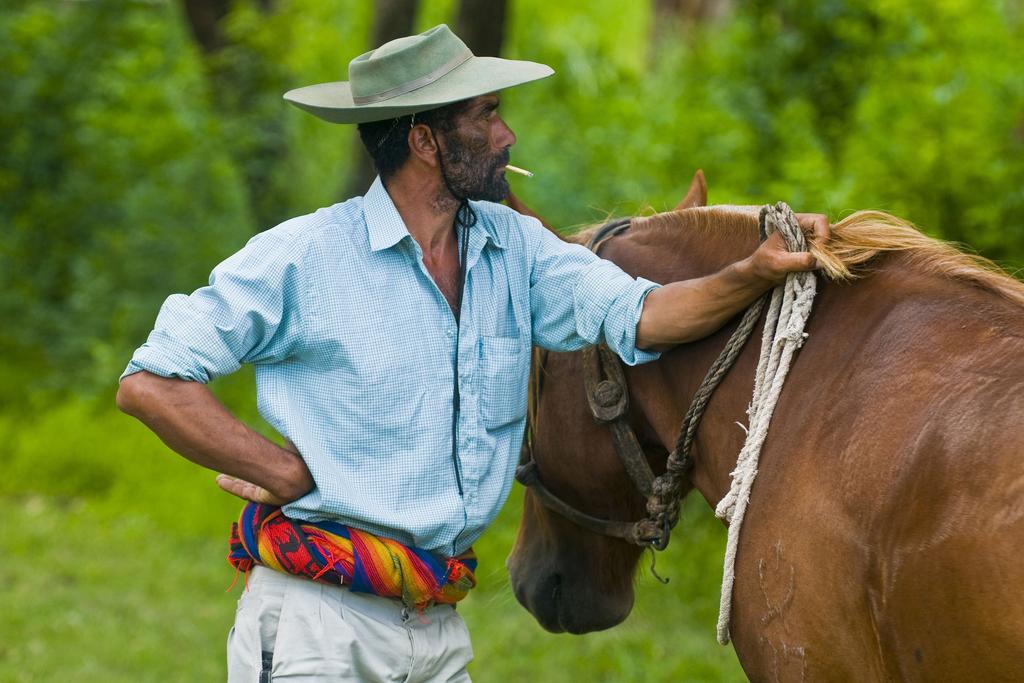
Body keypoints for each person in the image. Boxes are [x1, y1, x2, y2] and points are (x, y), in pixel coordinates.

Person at [116, 24, 828, 682]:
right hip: (318, 628)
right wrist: (279, 468)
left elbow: (640, 316)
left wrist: (753, 272)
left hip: (436, 627)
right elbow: (152, 381)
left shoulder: (513, 250)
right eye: (487, 116)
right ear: (426, 142)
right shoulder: (303, 258)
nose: (506, 134)